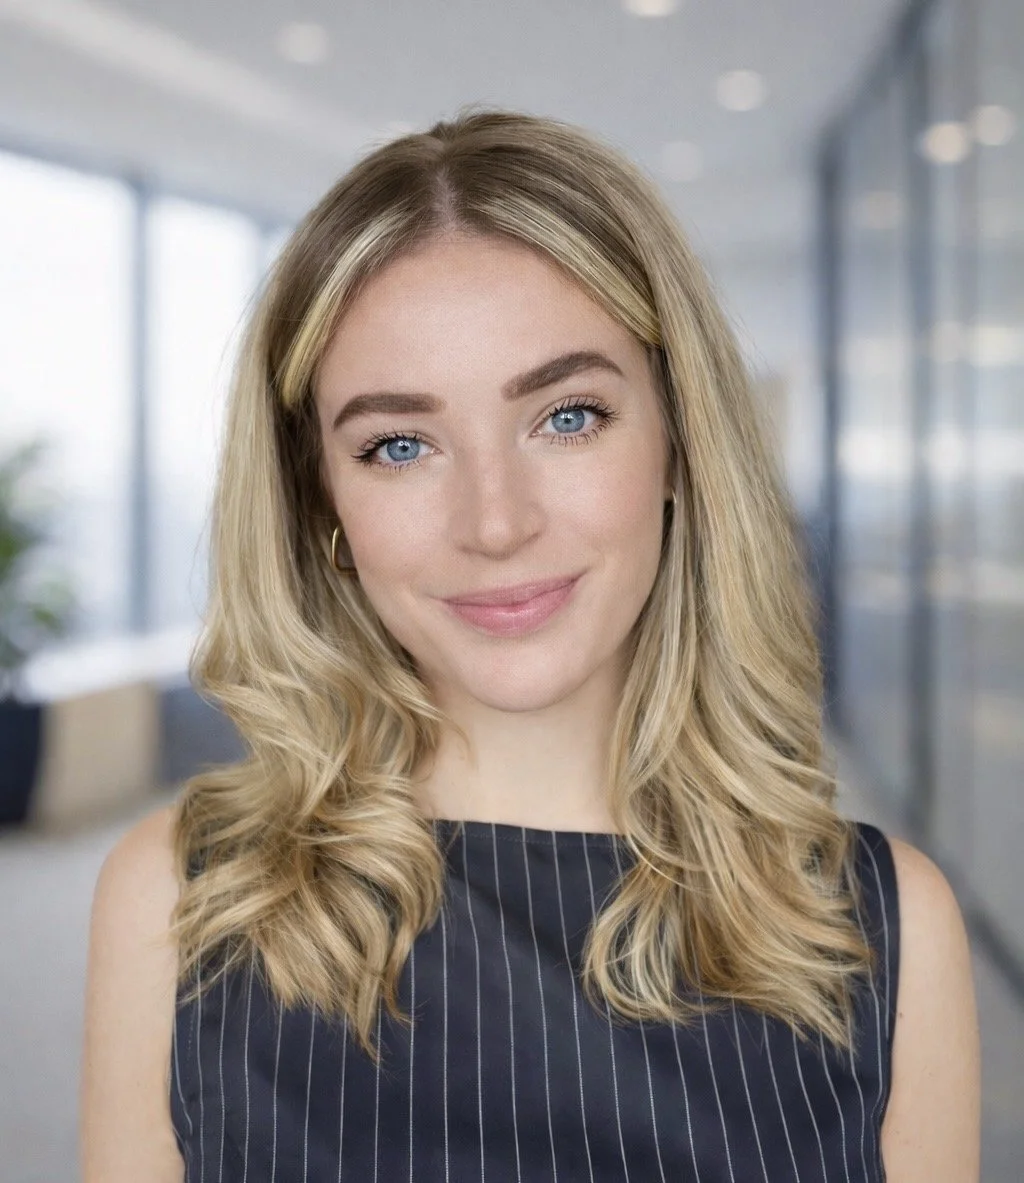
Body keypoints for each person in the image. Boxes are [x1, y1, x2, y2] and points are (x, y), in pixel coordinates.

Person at [79, 108, 980, 1182]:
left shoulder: (880, 932)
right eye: (399, 445)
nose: (494, 521)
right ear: (322, 496)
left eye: (567, 416)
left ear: (680, 443)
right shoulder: (185, 904)